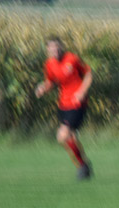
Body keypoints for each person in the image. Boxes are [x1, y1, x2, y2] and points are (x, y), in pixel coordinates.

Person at [35, 36, 93, 181]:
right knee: (70, 137)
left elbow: (89, 74)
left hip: (77, 103)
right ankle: (84, 166)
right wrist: (43, 88)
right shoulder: (49, 64)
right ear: (47, 49)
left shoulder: (72, 59)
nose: (54, 50)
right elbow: (51, 82)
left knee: (62, 135)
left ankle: (82, 166)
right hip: (63, 105)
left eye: (57, 46)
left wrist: (81, 92)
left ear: (61, 46)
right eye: (51, 47)